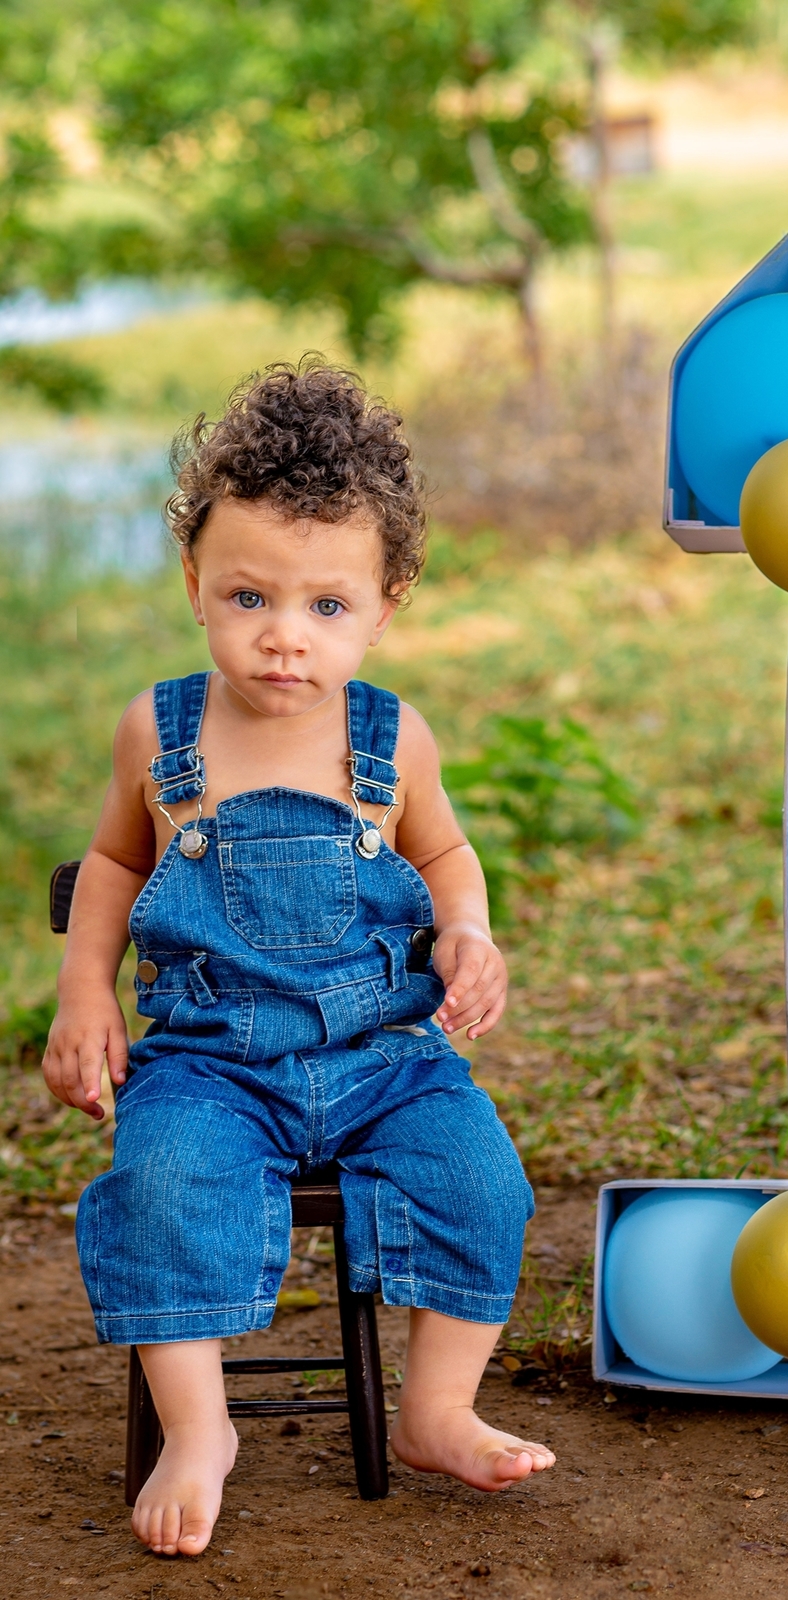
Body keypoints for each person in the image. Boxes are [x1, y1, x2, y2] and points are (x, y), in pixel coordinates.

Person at [40, 362, 553, 1558]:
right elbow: (113, 869)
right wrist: (84, 994)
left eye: (327, 608)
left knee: (482, 1181)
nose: (282, 638)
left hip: (385, 1055)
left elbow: (448, 853)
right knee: (164, 1188)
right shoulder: (158, 732)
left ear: (386, 602)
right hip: (210, 1060)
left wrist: (468, 931)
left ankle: (434, 1408)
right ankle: (200, 1425)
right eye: (247, 597)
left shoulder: (392, 738)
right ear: (194, 583)